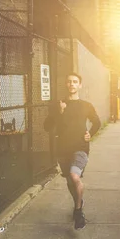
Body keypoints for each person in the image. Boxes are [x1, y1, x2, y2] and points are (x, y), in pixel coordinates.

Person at [44, 72, 101, 230]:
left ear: (79, 85)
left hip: (80, 148)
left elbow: (97, 122)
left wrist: (91, 133)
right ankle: (79, 202)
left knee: (75, 176)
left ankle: (78, 211)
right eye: (69, 81)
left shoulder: (86, 105)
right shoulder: (58, 105)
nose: (72, 84)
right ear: (66, 84)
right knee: (70, 181)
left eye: (75, 82)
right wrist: (59, 112)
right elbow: (47, 127)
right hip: (63, 149)